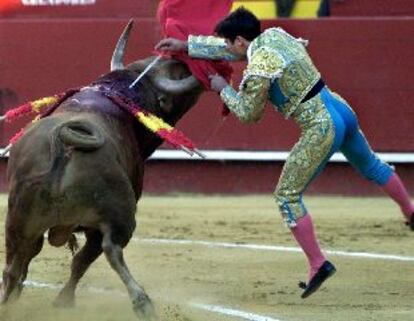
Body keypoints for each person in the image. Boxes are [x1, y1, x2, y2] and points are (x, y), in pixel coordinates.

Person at [155, 8, 414, 298]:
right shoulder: (274, 35)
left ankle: (318, 263)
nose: (226, 49)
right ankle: (410, 211)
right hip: (339, 108)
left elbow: (248, 113)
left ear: (240, 41)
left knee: (287, 196)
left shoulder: (259, 66)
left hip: (321, 127)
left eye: (229, 43)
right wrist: (187, 45)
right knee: (372, 165)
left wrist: (222, 89)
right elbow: (231, 50)